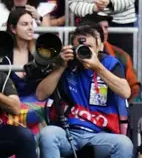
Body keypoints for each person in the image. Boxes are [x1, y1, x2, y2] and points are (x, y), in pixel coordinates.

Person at [36, 25, 133, 158]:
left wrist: (98, 67)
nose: (83, 52)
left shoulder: (110, 63)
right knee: (48, 134)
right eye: (79, 48)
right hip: (70, 133)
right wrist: (60, 67)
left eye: (89, 47)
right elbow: (40, 95)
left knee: (124, 144)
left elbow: (125, 92)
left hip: (101, 135)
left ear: (99, 47)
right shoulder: (67, 65)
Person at [81, 13, 142, 100]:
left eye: (106, 27)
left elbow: (134, 88)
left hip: (112, 109)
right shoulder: (76, 55)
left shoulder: (121, 56)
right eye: (98, 28)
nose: (103, 31)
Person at [0, 9, 38, 98]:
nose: (30, 28)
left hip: (37, 107)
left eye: (31, 23)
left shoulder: (39, 51)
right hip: (8, 106)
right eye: (25, 24)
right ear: (13, 29)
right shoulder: (3, 54)